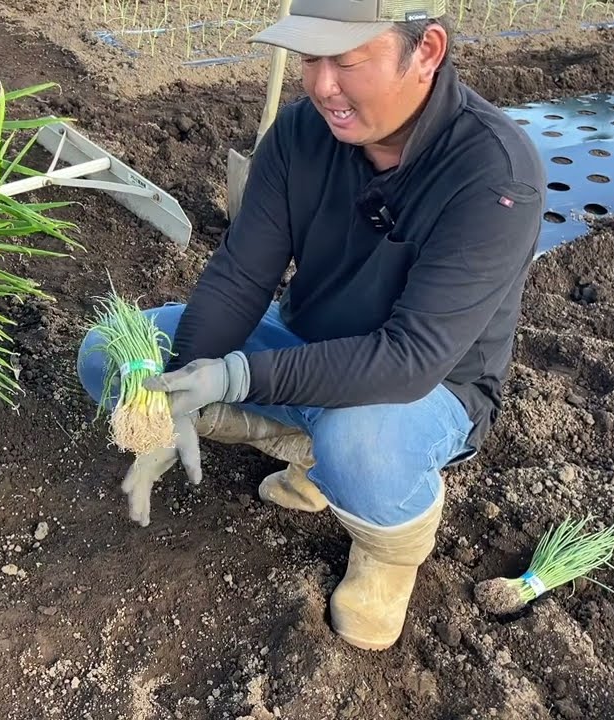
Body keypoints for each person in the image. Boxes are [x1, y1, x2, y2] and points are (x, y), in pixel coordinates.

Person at [76, 0, 544, 651]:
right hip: (306, 341)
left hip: (426, 391)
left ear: (427, 51)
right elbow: (242, 276)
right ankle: (308, 449)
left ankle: (387, 555)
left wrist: (236, 375)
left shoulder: (493, 173)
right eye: (310, 57)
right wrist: (181, 383)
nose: (321, 85)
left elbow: (410, 358)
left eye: (346, 60)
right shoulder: (300, 134)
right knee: (112, 355)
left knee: (361, 440)